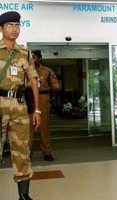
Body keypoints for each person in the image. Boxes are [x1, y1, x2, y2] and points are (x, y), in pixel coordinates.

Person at [0, 11, 41, 200]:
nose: (14, 29)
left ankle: (24, 195)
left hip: (20, 106)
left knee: (22, 151)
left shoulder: (25, 52)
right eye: (10, 25)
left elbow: (33, 81)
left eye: (17, 25)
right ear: (1, 28)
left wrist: (37, 110)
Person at [30, 50, 60, 161]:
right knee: (29, 128)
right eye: (31, 57)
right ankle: (28, 153)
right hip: (29, 100)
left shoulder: (47, 71)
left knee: (44, 128)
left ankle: (47, 152)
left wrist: (48, 97)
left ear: (40, 59)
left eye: (34, 57)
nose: (32, 60)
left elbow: (55, 88)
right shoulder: (26, 71)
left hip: (43, 99)